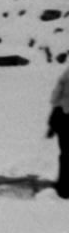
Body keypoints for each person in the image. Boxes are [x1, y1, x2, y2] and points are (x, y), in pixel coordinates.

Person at [48, 62, 69, 199]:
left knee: (66, 155)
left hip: (65, 119)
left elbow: (55, 97)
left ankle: (64, 187)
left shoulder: (66, 74)